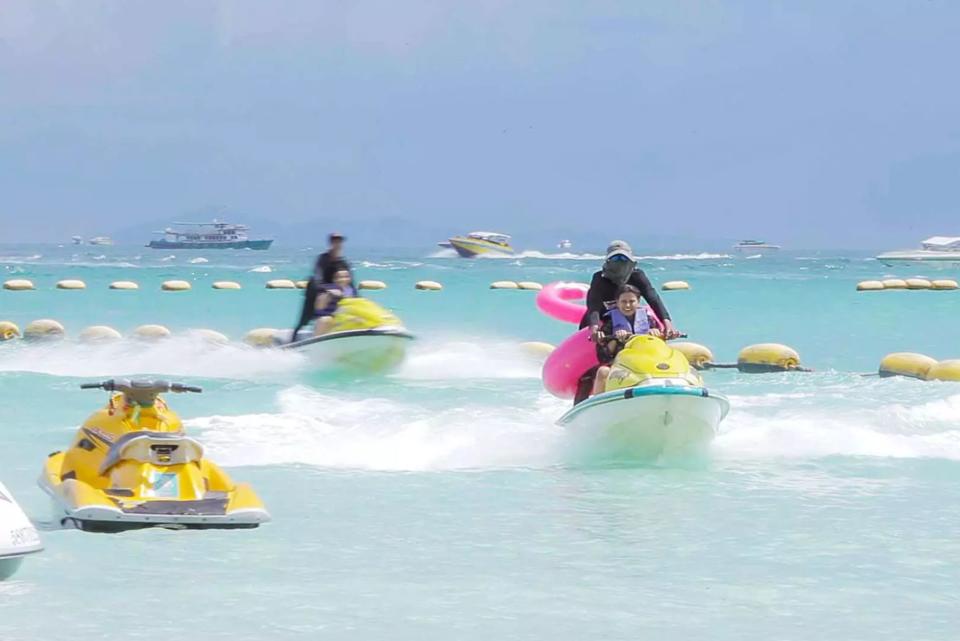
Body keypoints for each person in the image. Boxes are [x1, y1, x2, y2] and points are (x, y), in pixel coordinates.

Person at [573, 241, 680, 404]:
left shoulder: (638, 277)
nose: (620, 264)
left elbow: (653, 299)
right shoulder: (599, 279)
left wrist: (667, 324)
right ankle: (581, 409)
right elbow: (593, 305)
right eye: (615, 260)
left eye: (624, 260)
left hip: (634, 326)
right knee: (593, 371)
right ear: (607, 262)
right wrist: (595, 329)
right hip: (603, 324)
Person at [590, 284, 663, 396]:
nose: (628, 305)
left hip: (646, 364)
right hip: (621, 366)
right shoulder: (609, 322)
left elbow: (660, 350)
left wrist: (655, 336)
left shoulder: (649, 320)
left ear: (638, 301)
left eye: (632, 301)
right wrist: (616, 340)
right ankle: (599, 407)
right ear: (617, 302)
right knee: (602, 372)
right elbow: (603, 357)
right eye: (624, 301)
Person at [292, 233, 351, 340]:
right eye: (335, 241)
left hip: (338, 294)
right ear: (331, 243)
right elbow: (317, 278)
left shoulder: (343, 262)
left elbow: (350, 282)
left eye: (339, 242)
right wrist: (328, 289)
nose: (337, 244)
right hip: (317, 292)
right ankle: (293, 341)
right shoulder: (323, 259)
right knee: (304, 319)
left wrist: (358, 298)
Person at [313, 268, 357, 336]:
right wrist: (329, 294)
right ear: (334, 280)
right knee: (324, 320)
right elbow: (319, 308)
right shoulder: (327, 290)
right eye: (340, 277)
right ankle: (316, 342)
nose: (343, 279)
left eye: (346, 276)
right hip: (331, 320)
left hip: (345, 319)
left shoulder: (351, 290)